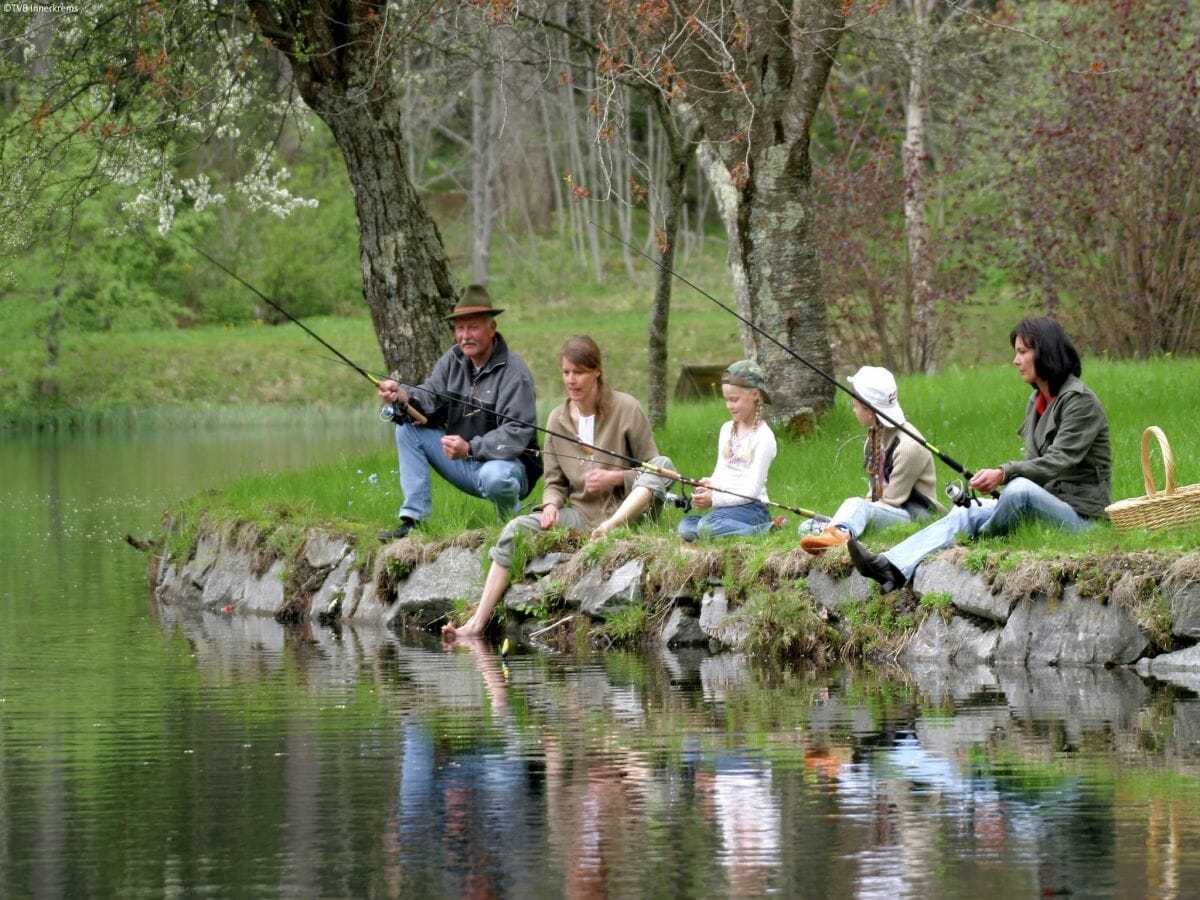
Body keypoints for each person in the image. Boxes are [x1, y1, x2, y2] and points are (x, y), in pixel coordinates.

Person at [846, 317, 1112, 593]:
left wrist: (1003, 473)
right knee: (967, 509)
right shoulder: (1037, 401)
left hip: (1081, 519)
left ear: (1045, 353)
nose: (1015, 360)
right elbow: (1036, 466)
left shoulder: (1080, 402)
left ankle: (980, 538)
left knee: (1019, 490)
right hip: (1048, 505)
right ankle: (890, 566)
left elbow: (1059, 460)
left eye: (1022, 352)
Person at [443, 335, 677, 639]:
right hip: (580, 516)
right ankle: (476, 624)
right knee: (515, 528)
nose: (571, 380)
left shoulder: (627, 408)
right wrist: (552, 505)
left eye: (578, 372)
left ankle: (609, 528)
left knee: (667, 463)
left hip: (629, 515)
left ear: (596, 372)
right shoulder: (556, 419)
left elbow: (654, 468)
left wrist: (616, 478)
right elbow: (554, 482)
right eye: (566, 372)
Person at [375, 285, 541, 540]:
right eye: (460, 328)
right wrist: (403, 395)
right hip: (463, 461)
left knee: (494, 476)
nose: (465, 336)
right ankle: (414, 521)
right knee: (406, 428)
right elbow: (430, 396)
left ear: (492, 329)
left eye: (473, 327)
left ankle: (511, 527)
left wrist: (471, 448)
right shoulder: (452, 360)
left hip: (508, 468)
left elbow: (516, 433)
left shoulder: (514, 373)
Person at [799, 366, 939, 554]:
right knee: (807, 526)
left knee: (856, 505)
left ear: (870, 411)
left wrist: (860, 513)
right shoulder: (873, 439)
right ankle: (841, 530)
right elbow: (873, 495)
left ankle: (842, 533)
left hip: (914, 516)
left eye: (855, 404)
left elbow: (891, 501)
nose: (853, 408)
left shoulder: (908, 446)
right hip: (887, 510)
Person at [677, 360, 781, 542]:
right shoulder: (726, 430)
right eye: (727, 400)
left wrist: (714, 499)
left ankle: (766, 529)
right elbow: (721, 472)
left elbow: (751, 490)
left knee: (706, 526)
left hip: (752, 508)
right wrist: (708, 484)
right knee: (685, 526)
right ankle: (734, 532)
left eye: (735, 400)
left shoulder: (764, 437)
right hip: (725, 510)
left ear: (755, 395)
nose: (729, 406)